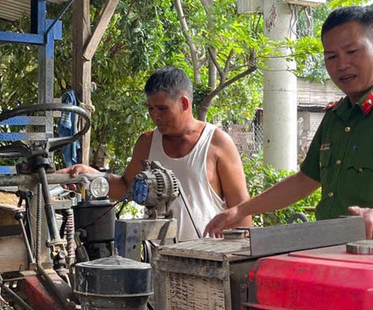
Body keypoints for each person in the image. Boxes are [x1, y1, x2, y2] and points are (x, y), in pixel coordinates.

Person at [205, 6, 373, 246]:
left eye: (352, 51)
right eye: (332, 56)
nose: (342, 65)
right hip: (334, 258)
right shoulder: (335, 116)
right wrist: (240, 210)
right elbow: (305, 180)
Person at [62, 66, 250, 240]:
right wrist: (89, 174)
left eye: (162, 108)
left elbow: (241, 210)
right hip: (159, 256)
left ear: (184, 103)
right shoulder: (147, 143)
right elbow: (125, 187)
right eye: (150, 109)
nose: (155, 116)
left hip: (209, 259)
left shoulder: (216, 142)